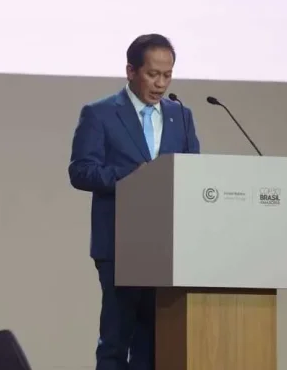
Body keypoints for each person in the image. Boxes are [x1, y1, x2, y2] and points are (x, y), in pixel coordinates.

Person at [68, 33, 200, 370]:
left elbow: (193, 173)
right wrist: (133, 176)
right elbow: (81, 171)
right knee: (116, 341)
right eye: (153, 74)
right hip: (119, 245)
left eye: (167, 75)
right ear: (131, 71)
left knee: (155, 343)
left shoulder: (181, 115)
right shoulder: (99, 113)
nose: (161, 84)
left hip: (167, 248)